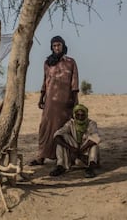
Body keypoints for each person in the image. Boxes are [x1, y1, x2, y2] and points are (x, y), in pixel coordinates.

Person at [29, 36, 79, 166]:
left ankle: (64, 158)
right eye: (54, 45)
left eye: (59, 45)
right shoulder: (48, 63)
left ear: (63, 46)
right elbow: (45, 81)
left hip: (66, 102)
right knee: (45, 127)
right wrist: (41, 97)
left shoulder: (70, 62)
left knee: (64, 129)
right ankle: (41, 156)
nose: (57, 48)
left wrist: (74, 101)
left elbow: (75, 84)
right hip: (50, 102)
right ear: (51, 47)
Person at [49, 104, 101, 178]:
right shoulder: (70, 123)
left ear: (86, 115)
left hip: (85, 154)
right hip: (74, 151)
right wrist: (71, 148)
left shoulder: (91, 123)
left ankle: (91, 167)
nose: (80, 117)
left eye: (82, 115)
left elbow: (96, 137)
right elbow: (56, 136)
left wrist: (79, 152)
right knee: (62, 138)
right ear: (74, 115)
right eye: (78, 115)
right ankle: (60, 166)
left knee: (94, 143)